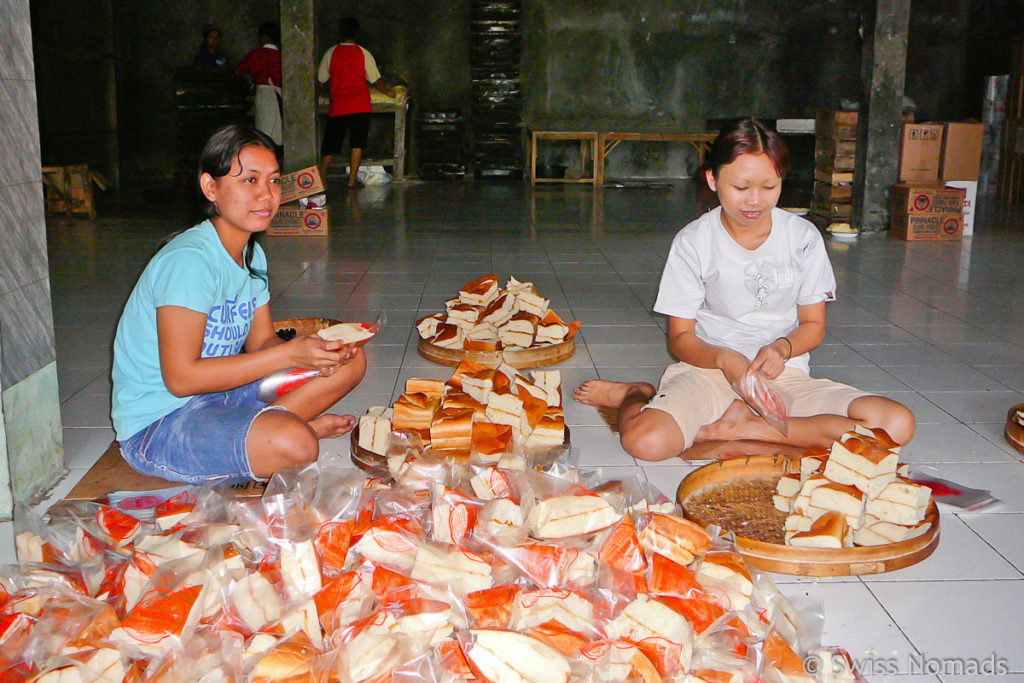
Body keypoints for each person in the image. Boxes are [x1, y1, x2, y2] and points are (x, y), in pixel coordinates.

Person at [574, 117, 915, 461]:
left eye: (769, 186)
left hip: (782, 376)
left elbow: (813, 326)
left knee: (894, 426)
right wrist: (726, 359)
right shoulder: (694, 241)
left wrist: (783, 348)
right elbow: (680, 338)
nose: (756, 201)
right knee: (646, 442)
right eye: (741, 188)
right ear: (712, 179)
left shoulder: (802, 239)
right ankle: (636, 393)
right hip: (708, 372)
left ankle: (746, 427)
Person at [111, 124, 365, 484]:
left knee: (350, 364)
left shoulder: (251, 253)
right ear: (210, 187)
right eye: (250, 181)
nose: (267, 195)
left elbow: (262, 342)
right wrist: (291, 356)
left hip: (221, 394)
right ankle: (285, 429)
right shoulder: (189, 261)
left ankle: (269, 428)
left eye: (275, 181)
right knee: (298, 446)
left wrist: (314, 355)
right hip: (163, 422)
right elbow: (181, 379)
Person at [317, 16, 395, 189]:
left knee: (330, 143)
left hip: (338, 105)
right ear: (357, 34)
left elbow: (321, 81)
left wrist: (329, 89)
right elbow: (376, 80)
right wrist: (389, 92)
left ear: (340, 33)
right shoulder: (363, 53)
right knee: (357, 143)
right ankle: (352, 181)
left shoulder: (331, 53)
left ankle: (321, 179)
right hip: (360, 105)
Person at [235, 22, 283, 147]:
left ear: (263, 37)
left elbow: (238, 70)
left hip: (263, 95)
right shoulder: (282, 56)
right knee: (278, 131)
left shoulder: (255, 54)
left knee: (263, 130)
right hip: (280, 94)